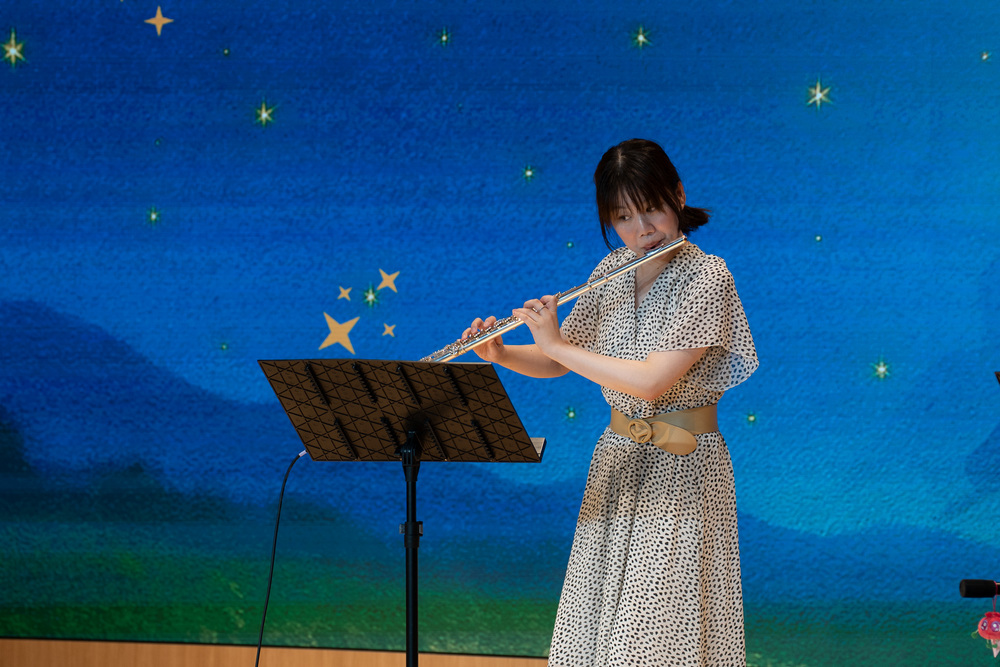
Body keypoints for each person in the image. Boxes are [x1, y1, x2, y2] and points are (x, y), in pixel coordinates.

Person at [462, 138, 759, 666]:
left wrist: (556, 344)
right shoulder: (610, 271)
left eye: (652, 209)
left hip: (683, 468)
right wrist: (502, 352)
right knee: (594, 638)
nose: (642, 229)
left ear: (678, 194)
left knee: (651, 643)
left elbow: (650, 382)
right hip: (617, 462)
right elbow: (559, 359)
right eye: (623, 217)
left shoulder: (708, 277)